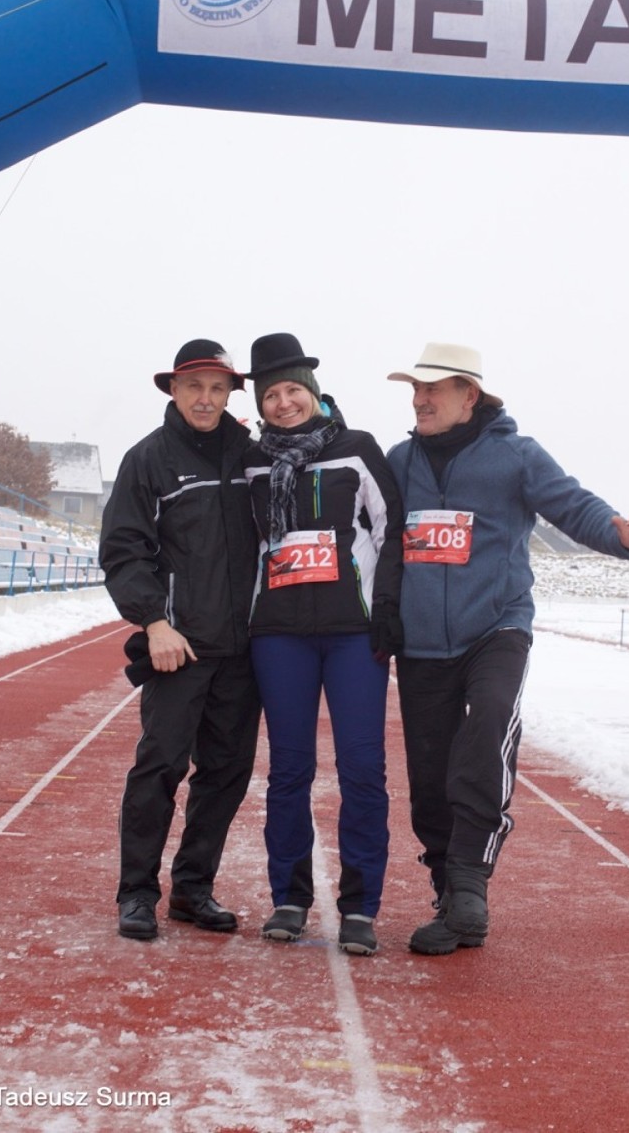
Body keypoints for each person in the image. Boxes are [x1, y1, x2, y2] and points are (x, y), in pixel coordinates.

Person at [386, 341, 629, 956]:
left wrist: (626, 537)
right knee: (429, 776)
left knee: (489, 727)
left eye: (433, 389)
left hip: (496, 629)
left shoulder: (515, 457)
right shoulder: (398, 461)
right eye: (415, 389)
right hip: (419, 646)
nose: (419, 399)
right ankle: (448, 891)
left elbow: (573, 506)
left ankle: (470, 885)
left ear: (470, 394)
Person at [243, 333, 404, 956]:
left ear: (314, 392)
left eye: (293, 391)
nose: (284, 404)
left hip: (352, 635)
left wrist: (386, 609)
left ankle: (361, 905)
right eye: (272, 395)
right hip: (279, 634)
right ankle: (290, 897)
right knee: (289, 771)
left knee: (363, 769)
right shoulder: (250, 459)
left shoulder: (358, 450)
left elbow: (393, 532)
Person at [99, 339, 262, 941]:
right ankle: (137, 892)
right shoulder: (147, 460)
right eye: (194, 385)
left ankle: (193, 890)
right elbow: (123, 551)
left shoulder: (253, 454)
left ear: (229, 395)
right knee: (159, 768)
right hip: (178, 647)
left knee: (227, 773)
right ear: (173, 388)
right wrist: (154, 622)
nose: (206, 397)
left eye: (218, 387)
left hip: (244, 652)